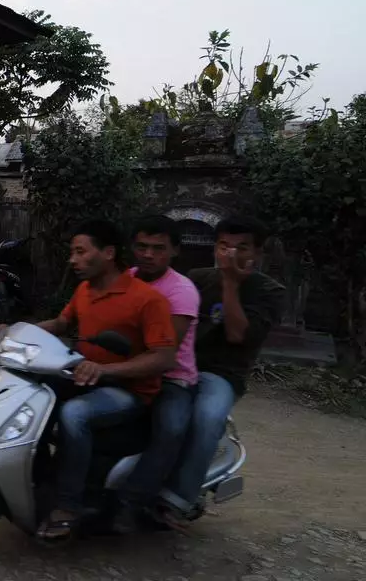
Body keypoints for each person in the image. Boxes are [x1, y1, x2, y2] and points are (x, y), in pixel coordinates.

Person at [31, 219, 176, 543]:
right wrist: (14, 330)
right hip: (87, 377)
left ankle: (69, 506)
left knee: (75, 414)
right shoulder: (84, 290)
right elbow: (61, 322)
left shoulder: (146, 300)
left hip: (129, 390)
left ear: (108, 253)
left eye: (80, 252)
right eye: (73, 252)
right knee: (31, 394)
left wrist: (105, 370)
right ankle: (40, 479)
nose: (73, 260)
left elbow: (164, 357)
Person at [157, 215, 284, 526]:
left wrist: (230, 282)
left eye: (242, 248)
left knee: (207, 418)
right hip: (179, 364)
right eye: (224, 246)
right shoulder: (198, 277)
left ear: (257, 253)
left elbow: (238, 335)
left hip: (223, 374)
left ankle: (177, 499)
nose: (231, 254)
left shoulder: (268, 290)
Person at [111, 215, 201, 533]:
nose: (149, 255)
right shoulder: (126, 278)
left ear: (174, 250)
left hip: (171, 378)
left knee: (172, 428)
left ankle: (132, 502)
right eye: (142, 247)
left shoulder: (181, 291)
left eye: (158, 248)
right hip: (129, 369)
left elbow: (165, 354)